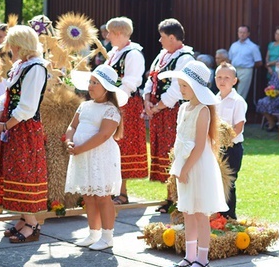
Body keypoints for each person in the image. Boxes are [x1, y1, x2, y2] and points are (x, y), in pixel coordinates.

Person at [163, 60, 227, 267]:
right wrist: (179, 166)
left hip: (198, 166)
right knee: (187, 211)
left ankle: (203, 259)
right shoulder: (182, 108)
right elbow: (181, 139)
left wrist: (186, 168)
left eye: (185, 86)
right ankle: (189, 256)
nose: (181, 90)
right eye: (180, 85)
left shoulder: (203, 111)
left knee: (200, 213)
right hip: (184, 164)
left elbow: (200, 145)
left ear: (197, 87)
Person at [0, 25, 49, 243]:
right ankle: (24, 219)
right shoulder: (20, 65)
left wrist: (7, 125)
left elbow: (27, 106)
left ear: (20, 45)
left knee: (24, 171)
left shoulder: (36, 68)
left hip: (24, 128)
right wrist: (0, 119)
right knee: (14, 171)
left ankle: (32, 224)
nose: (9, 49)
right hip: (13, 126)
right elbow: (8, 97)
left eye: (12, 44)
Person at [65, 65, 128, 250]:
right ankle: (93, 233)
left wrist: (80, 148)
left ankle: (107, 236)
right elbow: (72, 126)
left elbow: (102, 135)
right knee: (89, 195)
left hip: (100, 157)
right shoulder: (84, 106)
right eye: (90, 82)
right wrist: (69, 141)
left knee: (102, 196)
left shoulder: (111, 110)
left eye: (95, 83)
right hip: (83, 156)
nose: (90, 86)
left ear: (107, 87)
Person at [143, 18, 194, 213]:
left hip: (173, 112)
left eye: (162, 37)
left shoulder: (185, 58)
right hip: (159, 111)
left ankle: (177, 199)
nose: (159, 40)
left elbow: (176, 90)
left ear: (173, 38)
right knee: (163, 151)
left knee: (174, 151)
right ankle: (170, 197)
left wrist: (156, 107)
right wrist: (147, 100)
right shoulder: (163, 55)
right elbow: (151, 80)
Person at [104, 17, 147, 205]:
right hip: (113, 102)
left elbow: (132, 81)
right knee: (112, 144)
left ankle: (122, 192)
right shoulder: (115, 52)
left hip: (126, 104)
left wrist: (116, 98)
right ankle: (111, 189)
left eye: (110, 33)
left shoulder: (133, 54)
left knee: (123, 144)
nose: (107, 36)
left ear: (119, 33)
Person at [214, 63, 247, 220]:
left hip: (232, 148)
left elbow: (238, 127)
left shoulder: (237, 101)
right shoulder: (214, 99)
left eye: (226, 78)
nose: (222, 81)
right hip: (216, 147)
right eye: (219, 77)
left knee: (229, 183)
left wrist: (224, 138)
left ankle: (229, 217)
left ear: (234, 81)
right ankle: (217, 216)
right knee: (216, 182)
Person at [256, 57, 279, 132]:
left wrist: (278, 92)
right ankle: (271, 122)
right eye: (277, 65)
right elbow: (271, 85)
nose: (278, 66)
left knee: (269, 103)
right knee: (261, 102)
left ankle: (277, 123)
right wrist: (269, 89)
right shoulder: (275, 74)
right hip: (273, 96)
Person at [229, 25, 262, 102]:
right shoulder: (234, 45)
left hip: (246, 70)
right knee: (231, 90)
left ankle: (238, 110)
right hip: (234, 70)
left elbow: (259, 62)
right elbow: (230, 59)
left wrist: (249, 66)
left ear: (248, 34)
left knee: (241, 92)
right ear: (238, 33)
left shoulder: (253, 47)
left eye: (244, 32)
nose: (242, 34)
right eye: (240, 32)